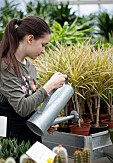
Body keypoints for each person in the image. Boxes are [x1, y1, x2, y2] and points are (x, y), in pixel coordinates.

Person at [0, 16, 67, 145]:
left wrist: (41, 121)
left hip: (30, 133)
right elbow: (22, 107)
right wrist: (49, 86)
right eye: (43, 45)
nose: (43, 51)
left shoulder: (30, 67)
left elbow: (30, 104)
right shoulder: (5, 67)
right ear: (30, 39)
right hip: (11, 141)